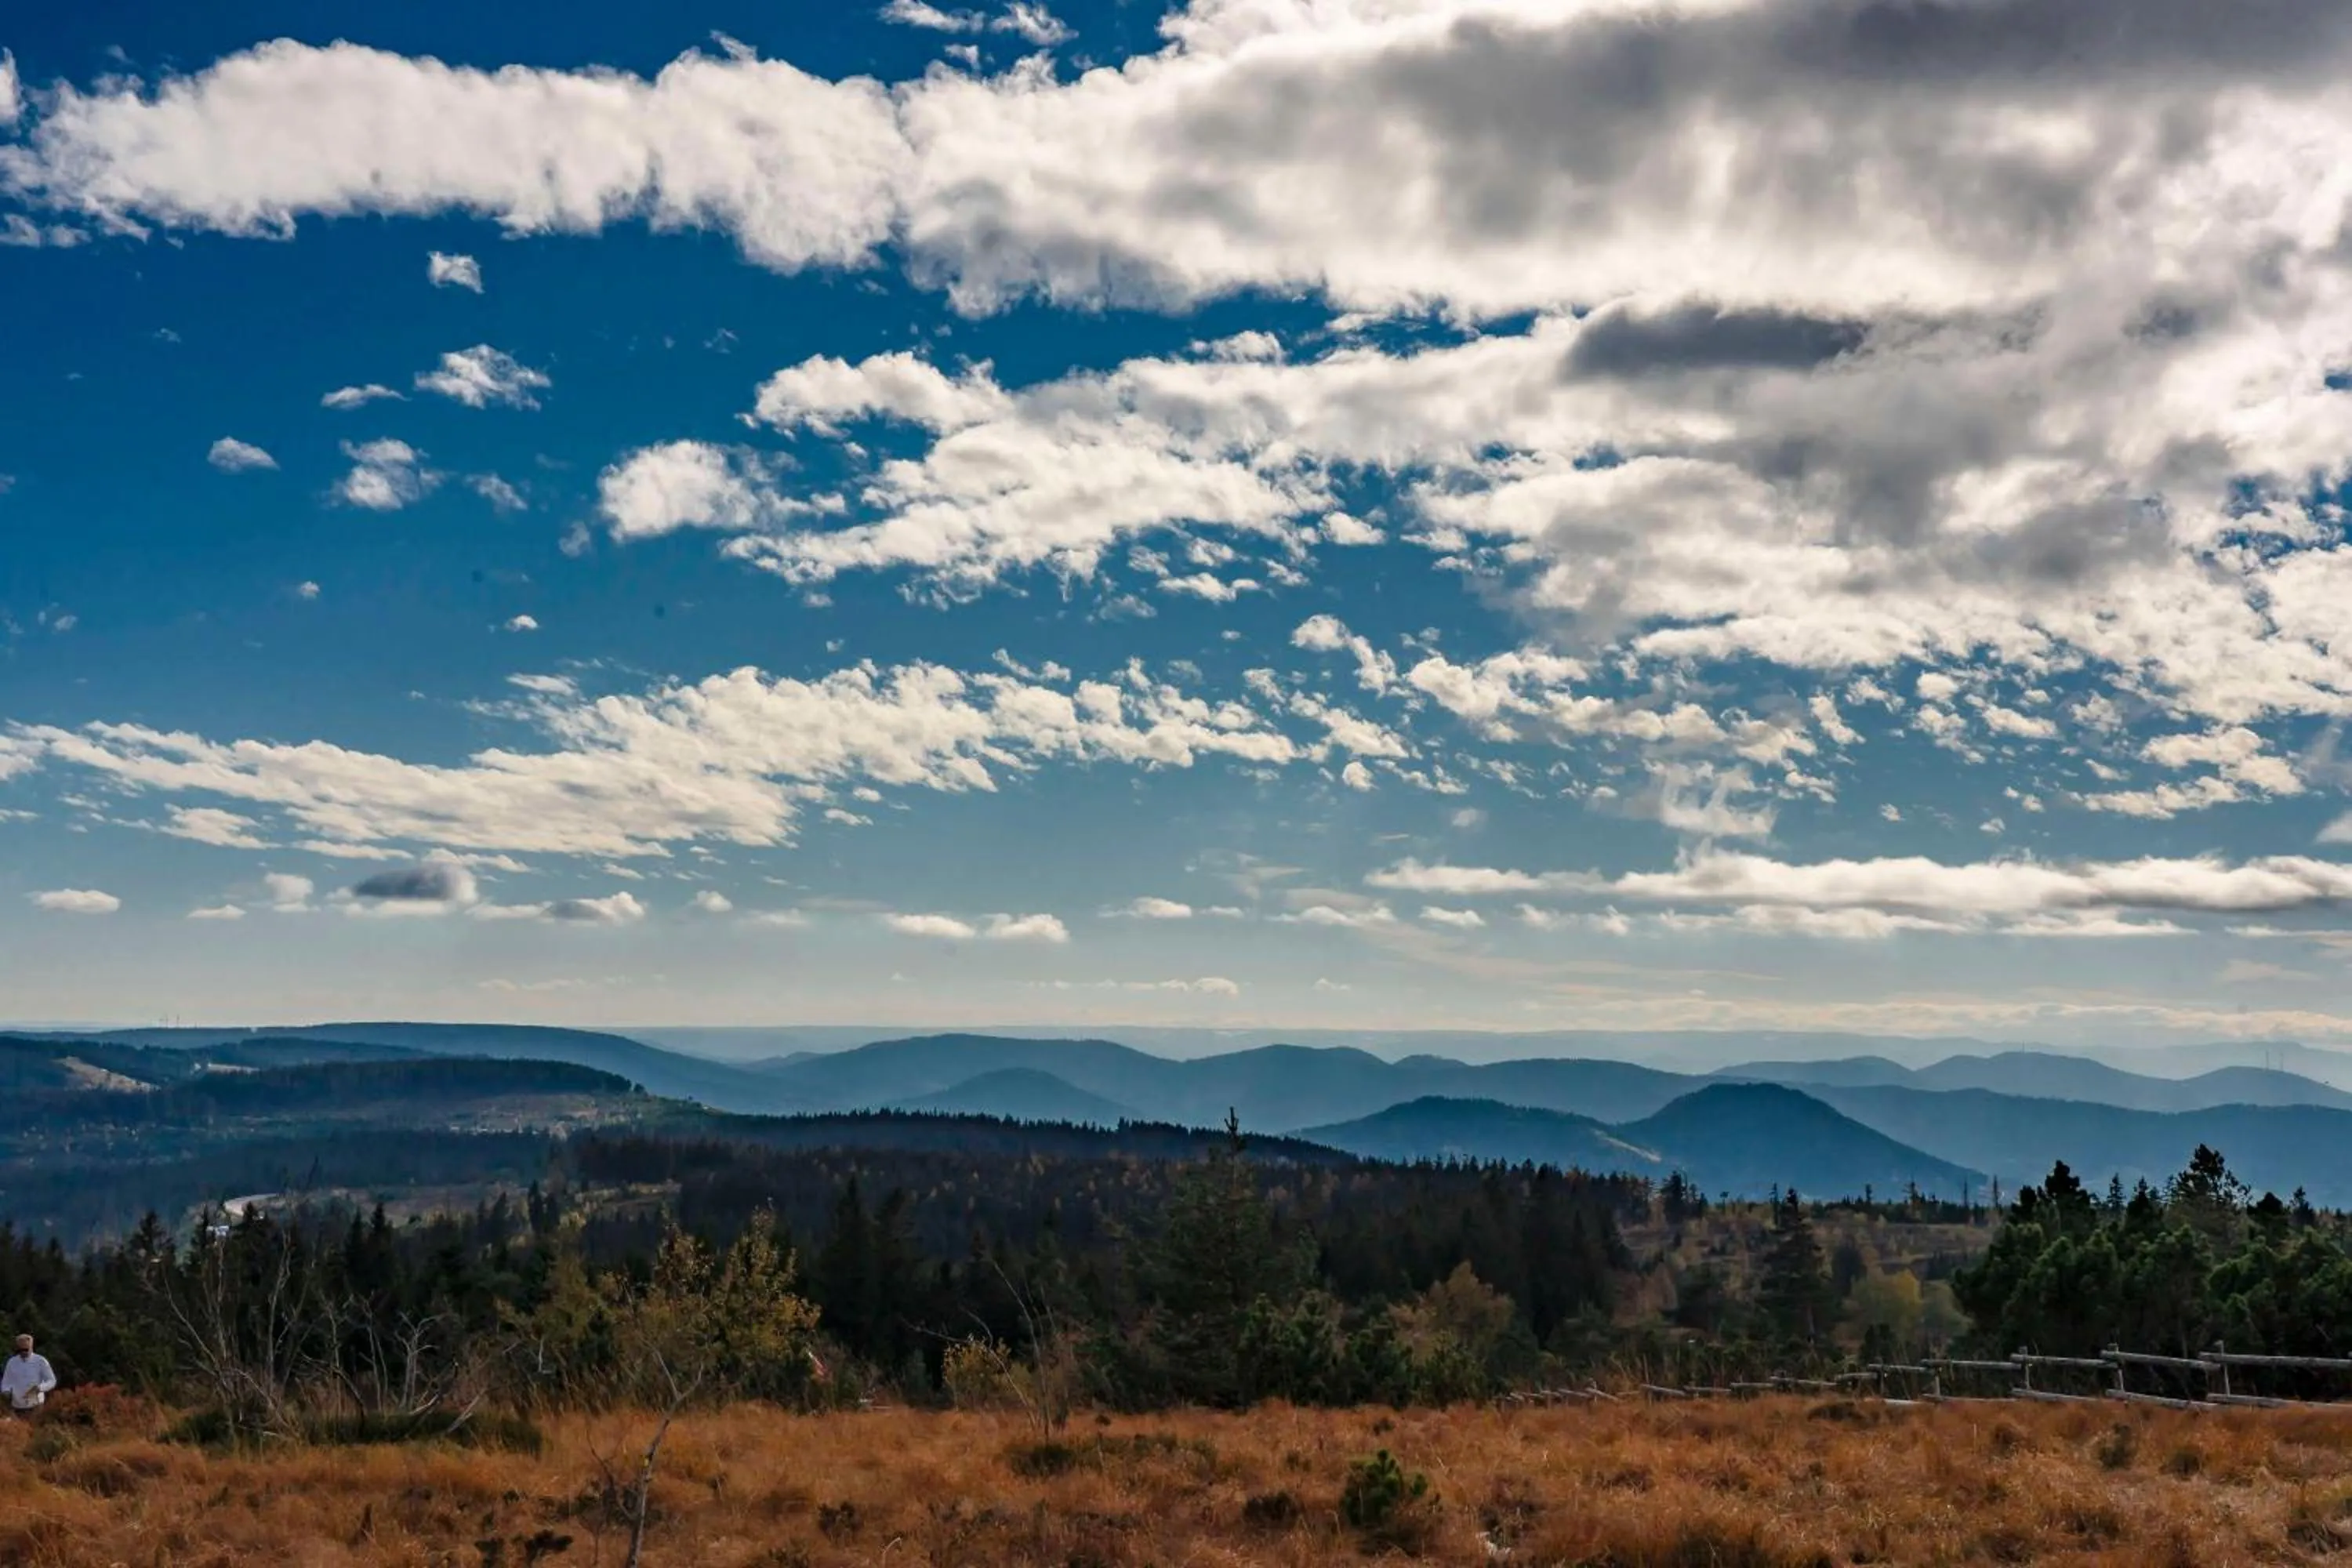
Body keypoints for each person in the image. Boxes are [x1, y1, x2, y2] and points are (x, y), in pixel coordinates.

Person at [2, 1335, 56, 1416]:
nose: (23, 1352)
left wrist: (40, 1388)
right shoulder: (12, 1362)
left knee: (35, 1427)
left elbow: (52, 1381)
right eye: (21, 1350)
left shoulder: (41, 1361)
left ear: (31, 1347)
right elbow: (6, 1382)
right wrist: (6, 1391)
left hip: (36, 1405)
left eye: (26, 1350)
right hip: (17, 1406)